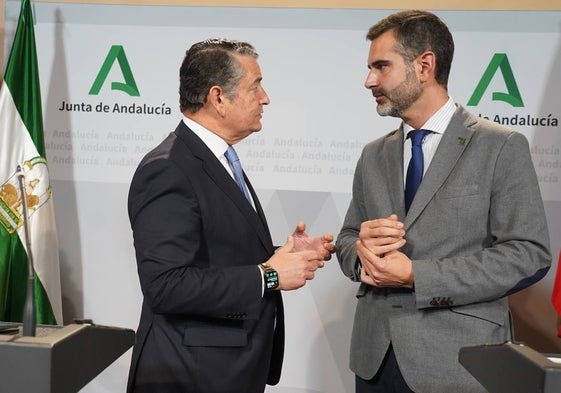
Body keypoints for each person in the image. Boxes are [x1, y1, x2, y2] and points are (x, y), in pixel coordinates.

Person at [335, 10, 551, 393]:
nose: (369, 80)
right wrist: (359, 254)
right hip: (375, 362)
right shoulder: (373, 154)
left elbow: (528, 254)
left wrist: (417, 276)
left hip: (459, 363)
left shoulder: (499, 146)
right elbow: (349, 236)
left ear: (425, 65)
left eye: (381, 66)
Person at [127, 38, 335, 393]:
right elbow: (166, 286)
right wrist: (269, 275)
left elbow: (213, 249)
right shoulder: (168, 169)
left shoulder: (215, 159)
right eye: (255, 86)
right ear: (218, 98)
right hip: (188, 377)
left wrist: (280, 255)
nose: (265, 97)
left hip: (225, 372)